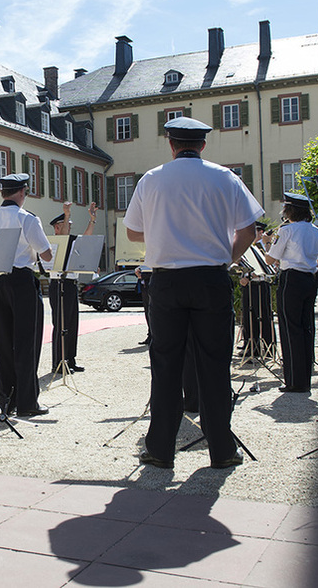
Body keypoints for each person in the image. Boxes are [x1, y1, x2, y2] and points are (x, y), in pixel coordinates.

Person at [124, 116, 263, 470]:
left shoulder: (152, 179)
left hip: (167, 281)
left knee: (166, 365)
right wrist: (225, 259)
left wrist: (163, 230)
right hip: (211, 279)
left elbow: (133, 234)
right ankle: (222, 449)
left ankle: (160, 449)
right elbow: (249, 231)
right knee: (215, 365)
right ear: (203, 145)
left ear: (171, 144)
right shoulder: (225, 177)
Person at [0, 173, 53, 417]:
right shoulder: (27, 218)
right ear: (22, 193)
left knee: (1, 342)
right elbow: (46, 254)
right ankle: (27, 402)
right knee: (26, 342)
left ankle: (5, 400)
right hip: (21, 281)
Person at [264, 193, 318, 392]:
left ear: (290, 210)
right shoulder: (317, 231)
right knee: (306, 327)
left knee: (290, 328)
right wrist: (308, 262)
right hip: (309, 280)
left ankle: (294, 380)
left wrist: (268, 242)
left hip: (291, 280)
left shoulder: (287, 230)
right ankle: (305, 379)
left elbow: (270, 260)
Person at [48, 201, 97, 373]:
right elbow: (66, 237)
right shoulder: (56, 242)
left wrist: (92, 220)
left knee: (72, 323)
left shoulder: (71, 241)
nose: (70, 228)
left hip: (71, 284)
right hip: (59, 284)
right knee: (61, 324)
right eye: (66, 225)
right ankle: (58, 361)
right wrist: (67, 213)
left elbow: (86, 238)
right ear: (57, 228)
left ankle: (70, 359)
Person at [238, 222, 275, 357]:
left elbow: (270, 265)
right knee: (249, 317)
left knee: (264, 315)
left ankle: (269, 346)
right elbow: (244, 264)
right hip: (249, 285)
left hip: (261, 284)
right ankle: (251, 346)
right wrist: (243, 276)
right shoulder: (247, 247)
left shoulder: (264, 247)